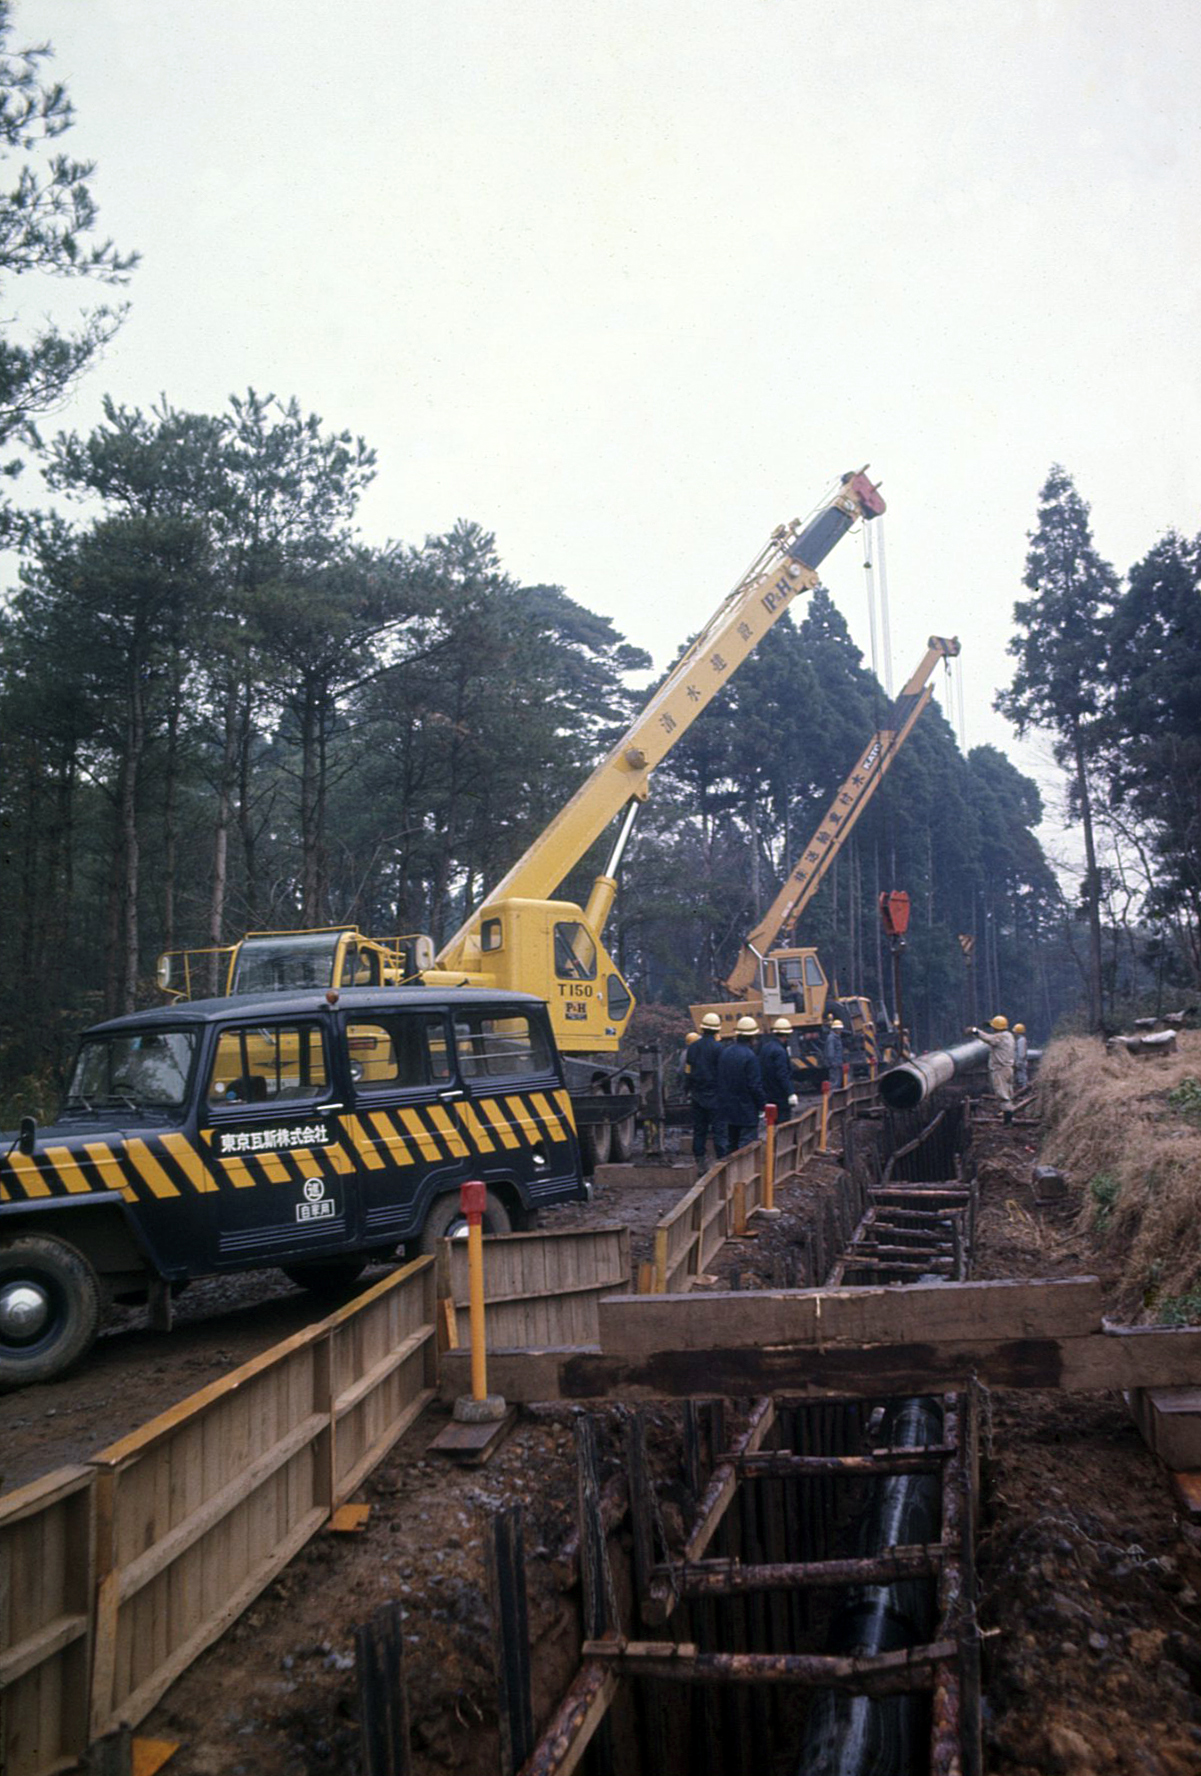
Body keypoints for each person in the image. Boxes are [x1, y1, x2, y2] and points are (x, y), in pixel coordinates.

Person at [715, 1014, 766, 1156]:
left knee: (731, 1145)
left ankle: (729, 1176)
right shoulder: (750, 1057)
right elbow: (754, 1085)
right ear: (752, 1038)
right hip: (746, 1109)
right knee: (747, 1147)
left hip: (728, 1108)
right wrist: (762, 1105)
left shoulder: (725, 1053)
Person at [684, 1014, 722, 1169]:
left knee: (699, 1130)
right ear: (717, 1030)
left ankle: (700, 1162)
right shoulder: (719, 1048)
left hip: (697, 1095)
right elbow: (722, 1073)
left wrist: (687, 1091)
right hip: (715, 1096)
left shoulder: (692, 1048)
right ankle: (721, 1162)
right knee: (719, 1130)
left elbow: (688, 1072)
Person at [968, 1014, 1016, 1123]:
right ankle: (1008, 1116)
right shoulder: (1008, 1035)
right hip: (1008, 1069)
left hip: (1000, 1070)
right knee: (1007, 1092)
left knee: (1002, 1094)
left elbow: (988, 1038)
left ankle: (1008, 1120)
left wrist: (975, 1030)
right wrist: (989, 1023)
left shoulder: (999, 1037)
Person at [758, 1017, 800, 1121]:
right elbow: (782, 1074)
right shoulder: (780, 1051)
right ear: (786, 1036)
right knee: (783, 1124)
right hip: (780, 1096)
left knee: (771, 1124)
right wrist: (790, 1092)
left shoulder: (765, 1047)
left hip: (768, 1093)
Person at [823, 1018, 845, 1090]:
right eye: (839, 1029)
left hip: (837, 1063)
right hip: (834, 1063)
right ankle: (832, 1096)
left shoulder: (836, 1037)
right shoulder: (832, 1038)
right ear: (836, 1029)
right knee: (834, 1082)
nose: (841, 1031)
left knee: (838, 1081)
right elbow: (830, 1051)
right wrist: (833, 1062)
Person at [1013, 1023, 1029, 1093]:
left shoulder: (1021, 1041)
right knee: (1020, 1077)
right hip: (1020, 1062)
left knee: (1022, 1077)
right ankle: (1022, 1090)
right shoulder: (1020, 1040)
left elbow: (1021, 1053)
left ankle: (1024, 1090)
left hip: (1021, 1062)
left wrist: (1018, 1062)